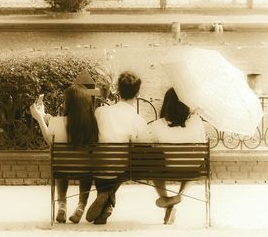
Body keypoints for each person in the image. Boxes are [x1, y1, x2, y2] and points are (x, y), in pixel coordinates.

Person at [85, 71, 153, 225]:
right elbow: (146, 145)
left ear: (117, 89)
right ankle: (108, 196)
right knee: (127, 161)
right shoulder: (137, 119)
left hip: (97, 166)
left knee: (104, 158)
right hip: (120, 168)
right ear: (138, 93)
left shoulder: (100, 111)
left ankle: (104, 196)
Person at [30, 84, 97, 224]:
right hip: (86, 171)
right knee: (87, 167)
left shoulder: (56, 122)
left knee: (62, 165)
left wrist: (39, 118)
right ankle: (80, 207)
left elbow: (49, 140)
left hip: (62, 169)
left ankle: (62, 205)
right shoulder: (92, 124)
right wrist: (43, 115)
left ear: (68, 103)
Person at [149, 88, 206, 224]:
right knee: (193, 163)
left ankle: (167, 201)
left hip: (167, 170)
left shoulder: (157, 125)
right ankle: (180, 196)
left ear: (166, 104)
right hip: (192, 170)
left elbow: (152, 146)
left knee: (153, 165)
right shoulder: (196, 121)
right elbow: (202, 143)